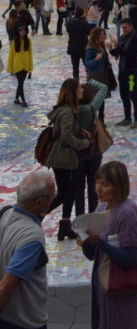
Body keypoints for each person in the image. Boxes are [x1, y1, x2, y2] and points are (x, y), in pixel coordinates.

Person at [78, 160, 137, 329]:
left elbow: (131, 259)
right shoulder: (101, 209)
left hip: (120, 289)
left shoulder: (126, 214)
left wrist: (100, 242)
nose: (98, 189)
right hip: (103, 286)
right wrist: (86, 242)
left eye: (105, 184)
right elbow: (94, 255)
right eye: (97, 183)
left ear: (119, 186)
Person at [0, 169, 56, 329]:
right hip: (25, 328)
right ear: (39, 203)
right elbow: (7, 285)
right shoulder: (31, 238)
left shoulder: (6, 214)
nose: (54, 199)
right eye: (52, 196)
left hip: (7, 321)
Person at [45, 78, 92, 240]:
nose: (82, 90)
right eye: (79, 88)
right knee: (65, 193)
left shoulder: (69, 110)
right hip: (62, 158)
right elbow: (65, 135)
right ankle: (37, 215)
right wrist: (82, 143)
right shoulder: (66, 112)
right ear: (72, 91)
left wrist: (80, 131)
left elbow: (67, 130)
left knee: (70, 191)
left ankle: (64, 225)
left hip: (65, 157)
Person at [73, 80, 109, 216]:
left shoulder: (69, 111)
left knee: (78, 188)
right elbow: (104, 87)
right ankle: (93, 216)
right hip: (93, 152)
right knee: (94, 186)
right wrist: (91, 81)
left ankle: (80, 218)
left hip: (77, 154)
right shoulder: (91, 109)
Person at [110, 17, 137, 129]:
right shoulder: (122, 37)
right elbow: (118, 54)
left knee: (133, 94)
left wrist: (117, 46)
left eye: (125, 27)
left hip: (131, 72)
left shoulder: (136, 38)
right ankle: (127, 118)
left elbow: (129, 54)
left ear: (131, 26)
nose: (123, 29)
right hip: (122, 71)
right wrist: (111, 48)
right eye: (122, 27)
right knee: (124, 94)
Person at [84, 27, 115, 119]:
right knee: (95, 98)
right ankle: (93, 119)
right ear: (96, 36)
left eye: (104, 34)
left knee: (101, 98)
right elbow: (87, 64)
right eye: (101, 34)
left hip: (103, 75)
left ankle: (101, 118)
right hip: (95, 76)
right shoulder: (91, 48)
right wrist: (96, 60)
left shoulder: (101, 46)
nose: (103, 36)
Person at [7, 25, 32, 107]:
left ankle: (16, 99)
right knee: (21, 83)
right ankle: (23, 100)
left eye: (24, 30)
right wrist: (10, 68)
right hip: (17, 66)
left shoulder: (28, 41)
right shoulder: (14, 42)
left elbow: (30, 55)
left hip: (25, 65)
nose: (23, 31)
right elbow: (11, 56)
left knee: (21, 83)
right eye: (21, 30)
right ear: (18, 32)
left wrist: (30, 67)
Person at [65, 7, 89, 79]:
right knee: (87, 65)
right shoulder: (84, 23)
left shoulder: (69, 22)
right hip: (83, 48)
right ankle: (90, 81)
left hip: (73, 48)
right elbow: (88, 32)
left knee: (75, 67)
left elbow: (68, 31)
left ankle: (75, 84)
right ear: (82, 14)